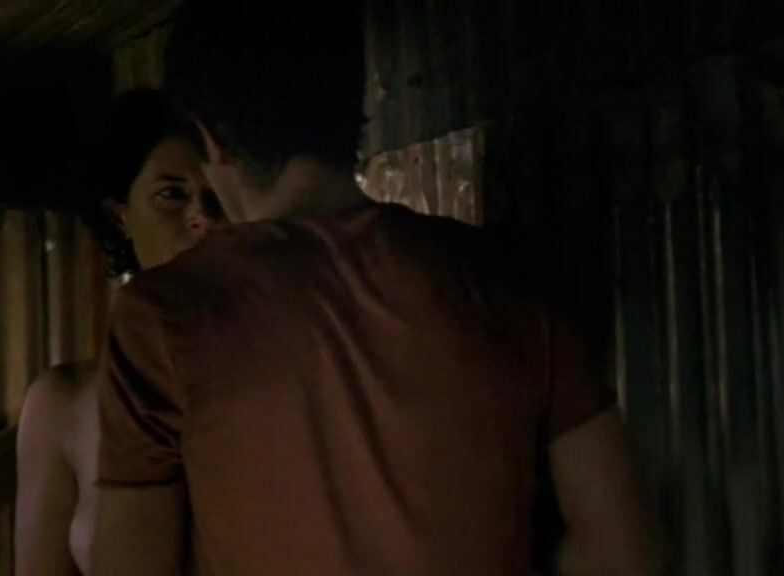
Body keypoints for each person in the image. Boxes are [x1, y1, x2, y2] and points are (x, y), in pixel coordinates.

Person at [90, 2, 668, 575]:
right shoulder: (511, 279)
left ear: (211, 140)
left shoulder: (163, 315)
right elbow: (625, 556)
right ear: (351, 108)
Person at [14, 89, 218, 576]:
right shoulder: (63, 403)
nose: (202, 218)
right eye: (172, 194)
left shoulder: (280, 378)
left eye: (218, 198)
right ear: (120, 214)